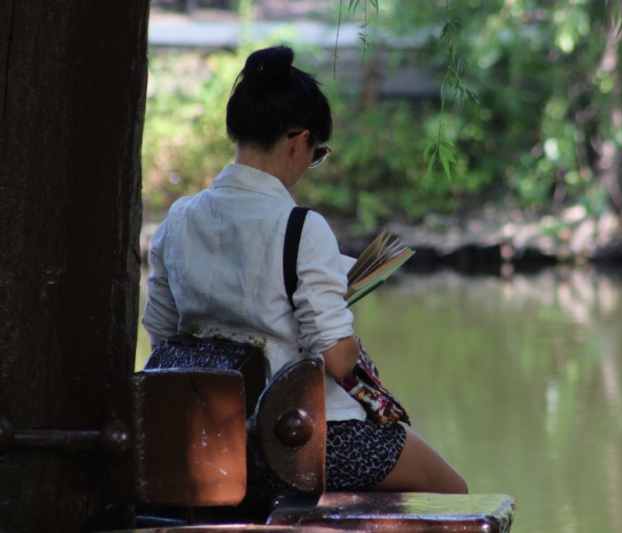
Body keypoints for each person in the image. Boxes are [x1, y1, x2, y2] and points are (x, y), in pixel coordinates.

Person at [142, 45, 467, 494]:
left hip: (208, 435)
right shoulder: (301, 228)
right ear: (298, 141)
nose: (309, 166)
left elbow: (161, 337)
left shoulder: (176, 220)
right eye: (316, 154)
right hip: (298, 435)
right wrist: (342, 312)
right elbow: (336, 359)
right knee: (452, 492)